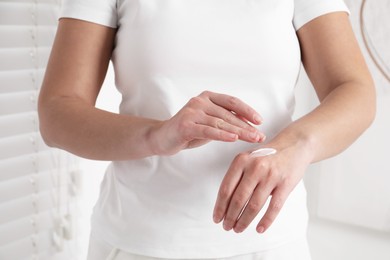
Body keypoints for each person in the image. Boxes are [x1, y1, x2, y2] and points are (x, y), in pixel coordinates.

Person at [38, 0, 376, 259]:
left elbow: (354, 89)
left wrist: (295, 146)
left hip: (271, 243)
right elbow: (57, 112)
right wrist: (158, 134)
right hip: (140, 241)